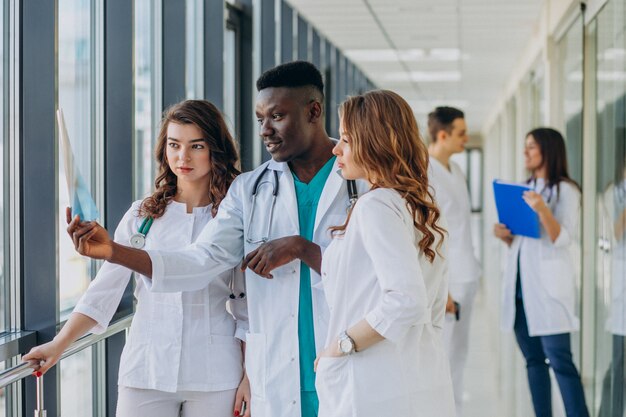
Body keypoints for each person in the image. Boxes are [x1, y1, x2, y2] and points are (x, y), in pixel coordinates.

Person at [65, 61, 368, 417]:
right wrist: (115, 252)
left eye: (277, 117)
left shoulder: (363, 182)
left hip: (347, 356)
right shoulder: (249, 191)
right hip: (278, 371)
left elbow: (377, 274)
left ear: (313, 111)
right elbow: (200, 261)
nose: (265, 131)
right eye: (260, 120)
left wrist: (301, 248)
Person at [24, 100, 248, 417]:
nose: (182, 157)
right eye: (174, 145)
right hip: (146, 371)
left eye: (196, 146)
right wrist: (58, 344)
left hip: (215, 373)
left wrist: (250, 376)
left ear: (216, 150)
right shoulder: (142, 214)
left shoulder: (233, 216)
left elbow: (247, 305)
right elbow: (104, 291)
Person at [308, 90, 454, 416]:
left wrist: (341, 345)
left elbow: (406, 300)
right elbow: (429, 307)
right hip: (417, 373)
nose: (336, 149)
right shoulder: (421, 207)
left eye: (346, 139)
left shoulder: (377, 205)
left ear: (373, 142)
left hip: (372, 382)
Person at [493, 127, 589, 417]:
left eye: (531, 147)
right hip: (522, 291)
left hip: (549, 292)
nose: (525, 153)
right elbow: (525, 241)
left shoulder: (566, 190)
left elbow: (563, 239)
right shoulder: (525, 187)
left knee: (561, 361)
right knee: (533, 361)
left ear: (548, 150)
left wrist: (544, 210)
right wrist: (504, 235)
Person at [427, 106, 481, 416]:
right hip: (448, 282)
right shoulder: (426, 172)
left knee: (459, 355)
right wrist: (440, 288)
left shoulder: (456, 170)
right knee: (443, 356)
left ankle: (455, 410)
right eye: (461, 133)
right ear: (442, 135)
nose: (466, 138)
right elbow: (427, 235)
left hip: (467, 274)